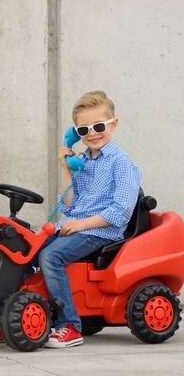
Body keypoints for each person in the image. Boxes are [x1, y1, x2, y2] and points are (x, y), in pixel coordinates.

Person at [41, 91, 141, 348]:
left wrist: (81, 224)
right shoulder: (81, 161)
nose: (93, 134)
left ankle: (69, 326)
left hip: (101, 230)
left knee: (51, 257)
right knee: (24, 249)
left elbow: (120, 212)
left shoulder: (122, 164)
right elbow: (68, 204)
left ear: (113, 124)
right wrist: (65, 167)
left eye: (99, 126)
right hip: (73, 226)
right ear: (75, 132)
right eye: (84, 129)